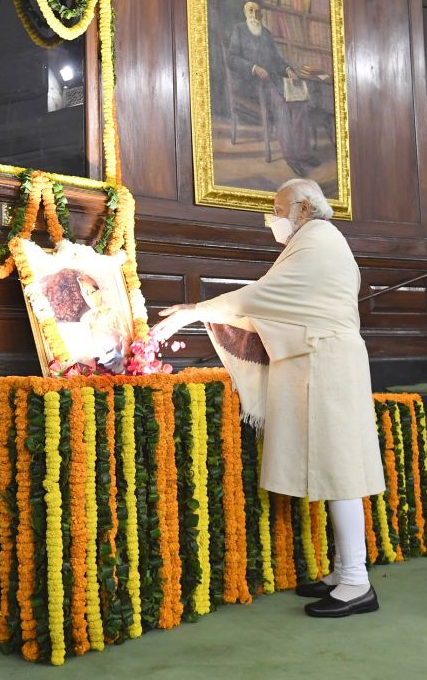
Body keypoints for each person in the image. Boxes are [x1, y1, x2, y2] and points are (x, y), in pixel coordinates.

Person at [153, 178, 385, 618]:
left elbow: (264, 297)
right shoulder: (316, 240)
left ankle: (357, 582)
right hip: (320, 359)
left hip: (326, 362)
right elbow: (276, 300)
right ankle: (344, 572)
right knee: (329, 465)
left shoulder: (317, 240)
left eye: (278, 209)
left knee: (338, 469)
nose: (272, 219)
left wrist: (196, 310)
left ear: (301, 206)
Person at [226, 0, 316, 177]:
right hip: (251, 85)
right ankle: (291, 157)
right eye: (250, 10)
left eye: (257, 12)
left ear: (261, 14)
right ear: (245, 12)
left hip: (273, 82)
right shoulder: (239, 30)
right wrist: (253, 67)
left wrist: (289, 69)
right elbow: (232, 59)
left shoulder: (266, 34)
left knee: (300, 102)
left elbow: (277, 60)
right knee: (282, 104)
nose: (253, 15)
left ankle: (304, 153)